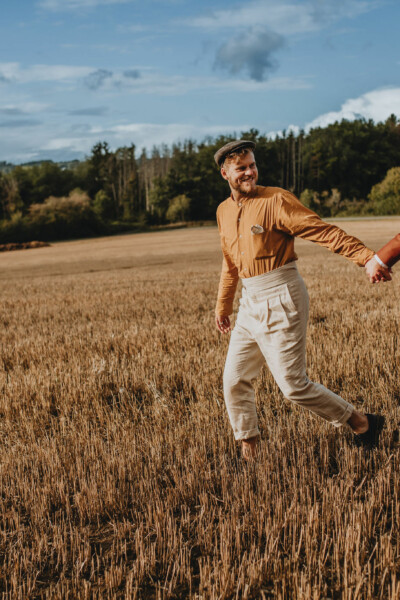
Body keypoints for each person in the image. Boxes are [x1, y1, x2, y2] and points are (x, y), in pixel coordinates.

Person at [214, 139, 385, 460]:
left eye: (252, 165)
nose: (249, 172)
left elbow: (321, 230)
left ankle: (363, 423)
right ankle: (250, 455)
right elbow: (229, 262)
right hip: (249, 303)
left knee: (292, 386)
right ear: (225, 173)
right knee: (234, 379)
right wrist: (224, 305)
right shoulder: (224, 211)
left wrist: (367, 258)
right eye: (241, 168)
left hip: (282, 295)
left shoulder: (276, 200)